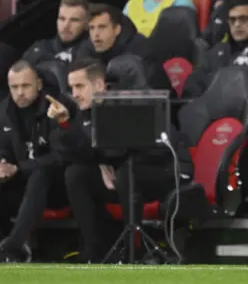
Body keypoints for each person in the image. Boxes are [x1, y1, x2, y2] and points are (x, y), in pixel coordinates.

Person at [48, 57, 193, 262]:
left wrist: (105, 159)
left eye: (79, 86)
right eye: (71, 88)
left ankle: (136, 249)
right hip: (123, 175)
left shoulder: (129, 102)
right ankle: (95, 252)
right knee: (76, 174)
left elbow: (132, 150)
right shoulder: (84, 111)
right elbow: (79, 152)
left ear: (98, 84)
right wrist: (64, 125)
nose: (75, 94)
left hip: (166, 170)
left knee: (127, 171)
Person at [0, 60, 67, 261]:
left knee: (41, 174)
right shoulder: (5, 111)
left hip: (57, 187)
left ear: (38, 84)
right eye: (14, 87)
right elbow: (3, 146)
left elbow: (60, 158)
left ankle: (13, 247)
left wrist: (18, 168)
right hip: (22, 185)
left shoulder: (57, 106)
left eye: (25, 86)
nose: (20, 92)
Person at [23, 0, 90, 65]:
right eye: (62, 19)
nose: (66, 26)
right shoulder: (39, 49)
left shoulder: (93, 53)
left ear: (87, 24)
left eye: (74, 20)